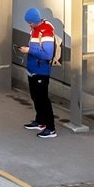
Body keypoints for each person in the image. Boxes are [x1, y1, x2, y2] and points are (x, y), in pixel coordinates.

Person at [20, 7, 59, 138]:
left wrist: (28, 51)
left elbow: (47, 54)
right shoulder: (36, 29)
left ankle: (50, 128)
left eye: (29, 22)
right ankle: (40, 121)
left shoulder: (46, 32)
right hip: (33, 69)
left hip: (41, 71)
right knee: (35, 97)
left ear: (34, 21)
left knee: (43, 99)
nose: (29, 25)